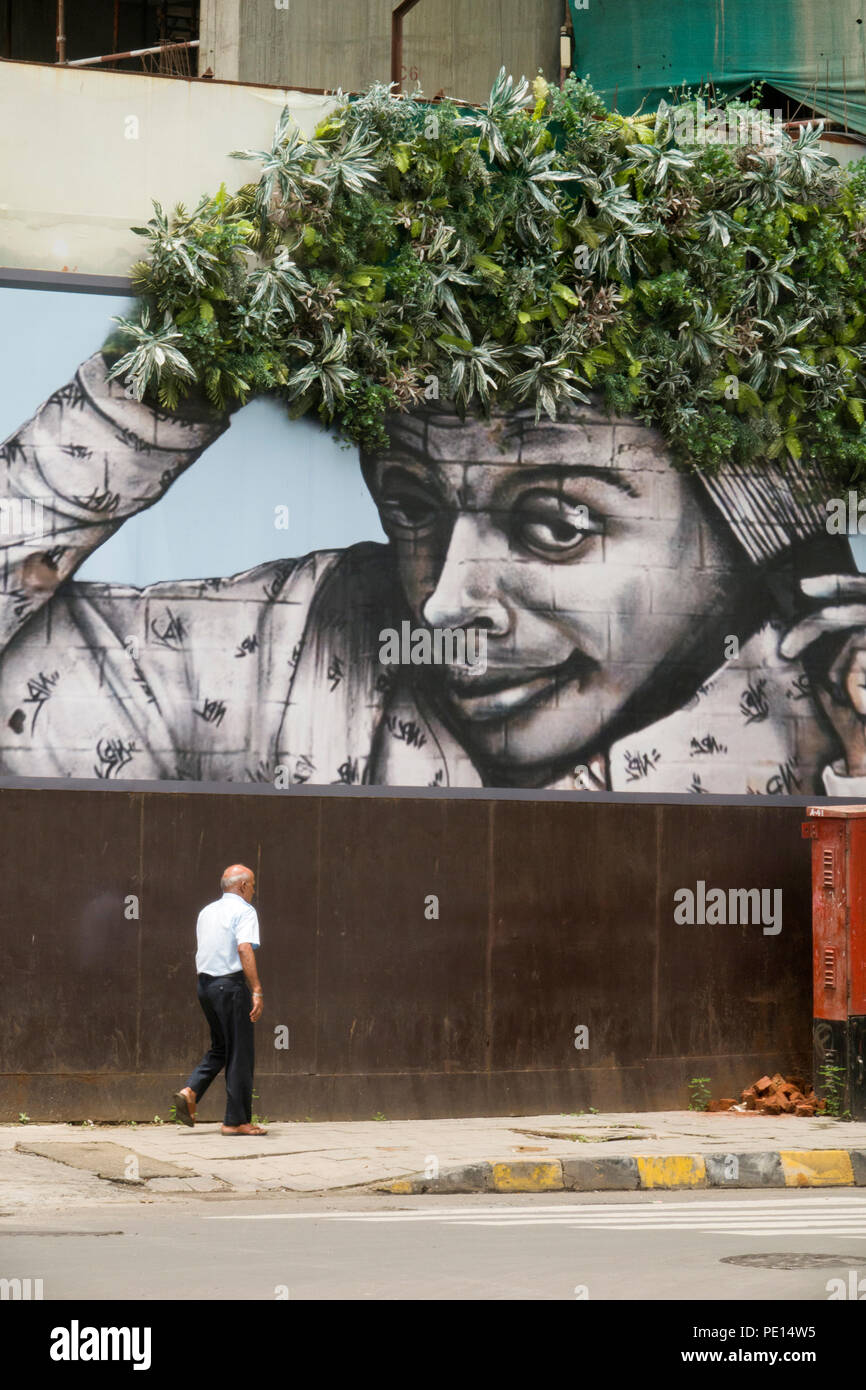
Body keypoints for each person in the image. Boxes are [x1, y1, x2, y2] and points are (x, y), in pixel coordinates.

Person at [0, 348, 864, 795]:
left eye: (557, 524)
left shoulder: (833, 714)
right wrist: (174, 372)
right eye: (413, 508)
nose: (444, 602)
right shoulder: (289, 641)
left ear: (745, 530)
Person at [174, 863, 266, 1137]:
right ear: (243, 886)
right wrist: (257, 989)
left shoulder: (207, 912)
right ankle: (236, 1120)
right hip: (230, 986)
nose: (253, 890)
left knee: (222, 1047)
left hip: (206, 986)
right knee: (240, 1052)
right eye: (252, 885)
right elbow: (243, 947)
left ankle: (190, 1090)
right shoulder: (244, 911)